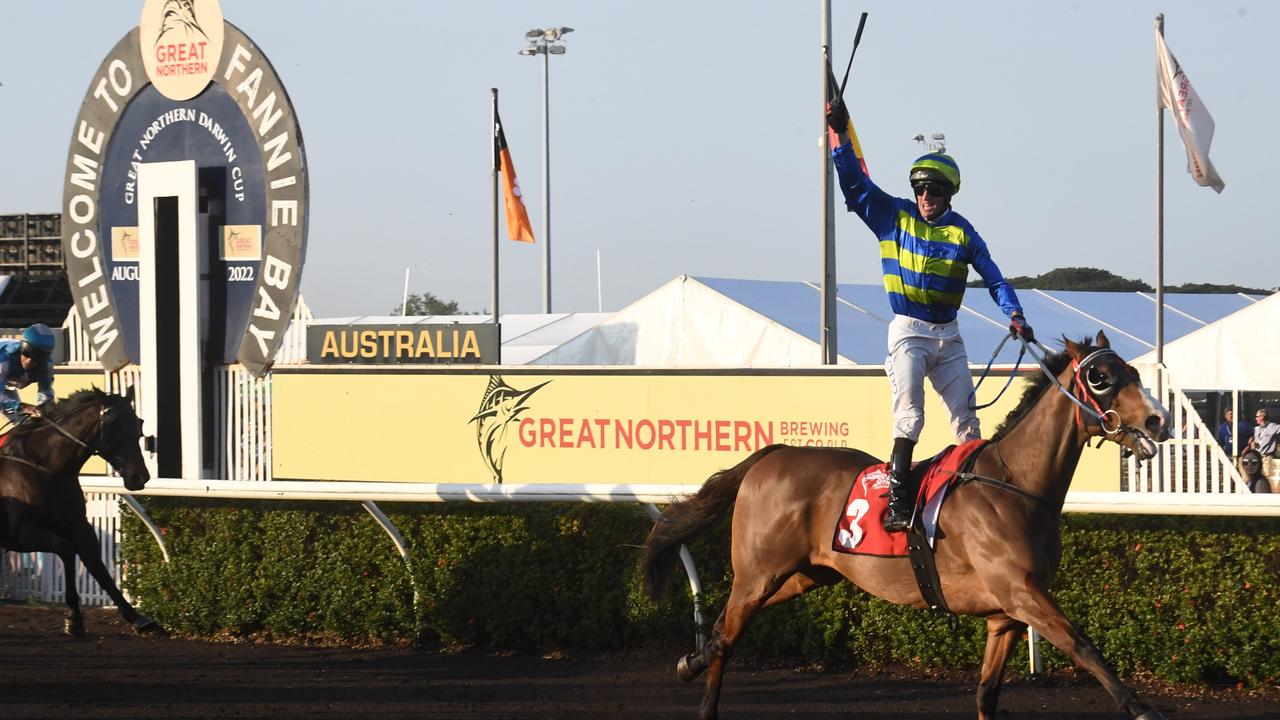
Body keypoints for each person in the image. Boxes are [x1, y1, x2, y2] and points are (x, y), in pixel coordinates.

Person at [826, 98, 1033, 532]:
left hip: (949, 337)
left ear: (948, 194)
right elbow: (854, 186)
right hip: (908, 335)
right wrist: (841, 136)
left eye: (933, 191)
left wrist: (1014, 314)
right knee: (910, 417)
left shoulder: (963, 230)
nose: (924, 197)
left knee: (967, 422)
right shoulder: (892, 214)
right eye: (920, 189)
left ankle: (981, 501)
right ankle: (899, 503)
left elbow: (994, 278)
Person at [0, 323, 56, 426]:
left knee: (23, 425)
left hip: (4, 384)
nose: (29, 361)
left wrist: (44, 410)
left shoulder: (46, 366)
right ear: (22, 347)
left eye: (36, 358)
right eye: (26, 353)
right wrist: (21, 406)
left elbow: (46, 394)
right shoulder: (4, 358)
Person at [1249, 408, 1280, 484]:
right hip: (1256, 458)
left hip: (1266, 458)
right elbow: (1257, 441)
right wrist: (1253, 444)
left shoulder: (1272, 426)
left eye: (1257, 416)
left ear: (1262, 416)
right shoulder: (1256, 429)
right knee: (1254, 478)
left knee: (1264, 479)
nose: (1255, 418)